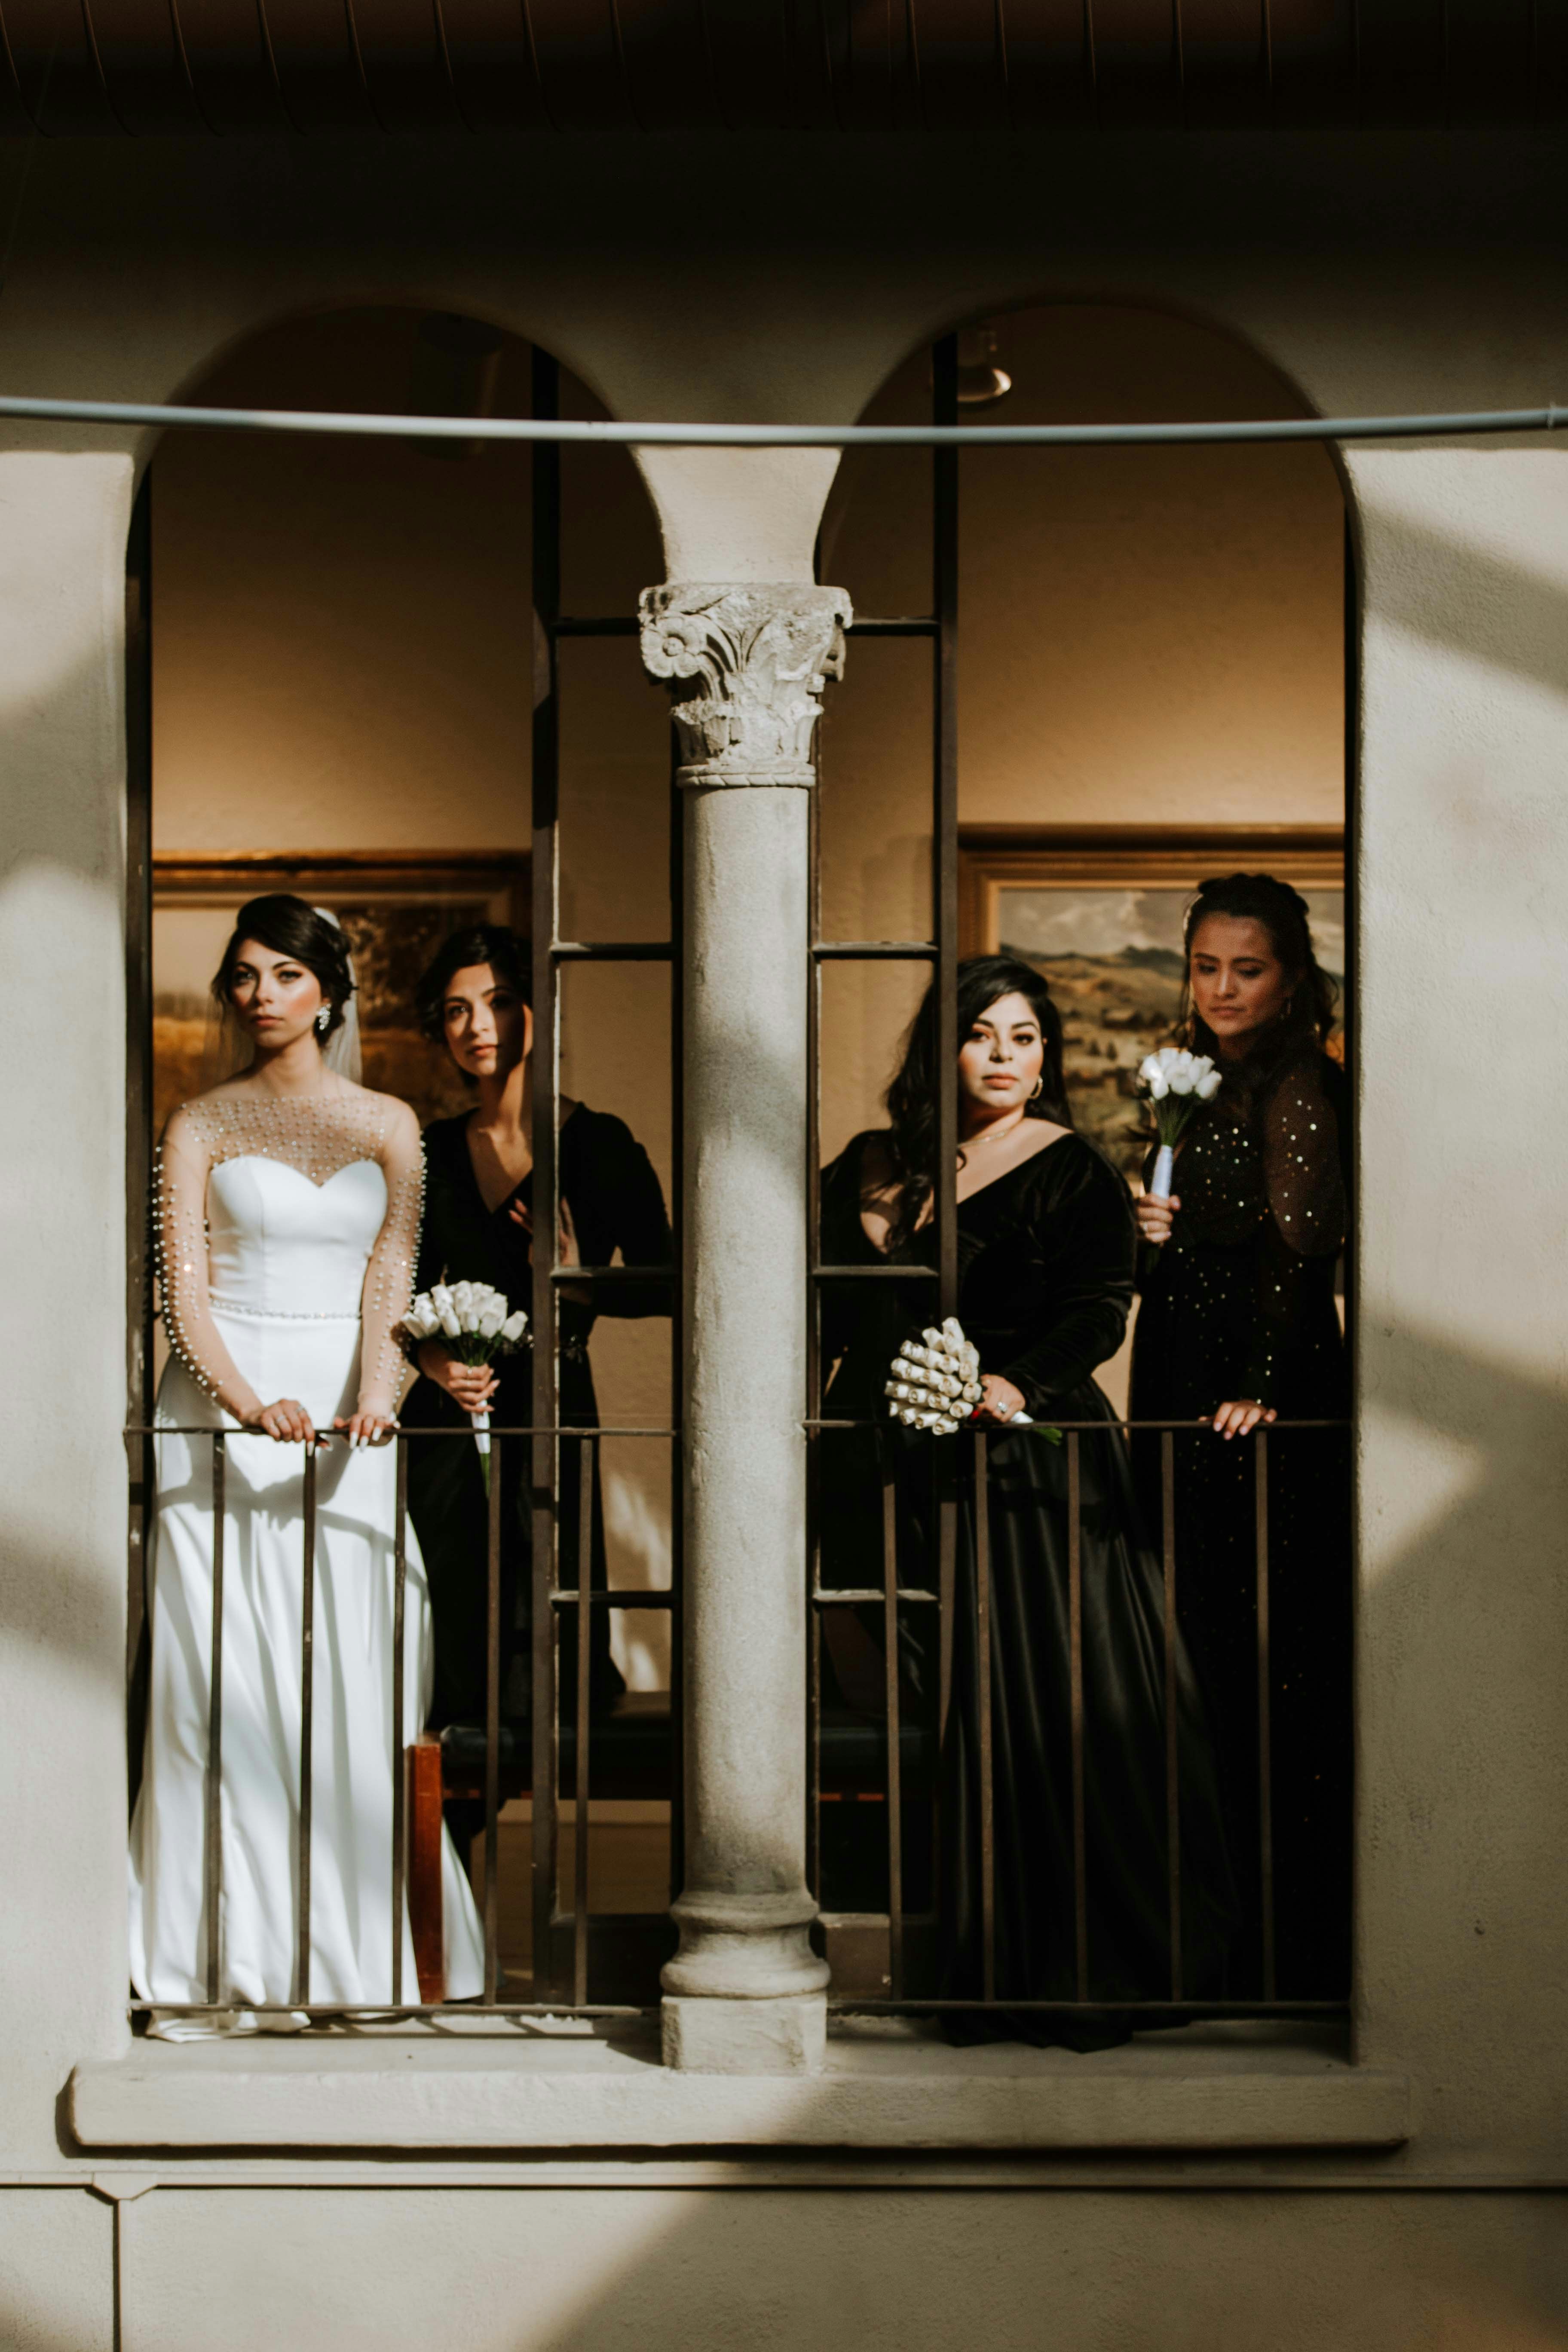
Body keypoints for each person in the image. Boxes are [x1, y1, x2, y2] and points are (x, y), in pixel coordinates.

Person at [819, 955, 1235, 2044]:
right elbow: (817, 1306)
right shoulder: (871, 1167)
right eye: (984, 1035)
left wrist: (1015, 1385)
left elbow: (1102, 1307)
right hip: (899, 1468)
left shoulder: (1071, 1169)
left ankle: (1060, 1960)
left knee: (1033, 1711)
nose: (1007, 1057)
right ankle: (956, 1950)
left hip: (1030, 1469)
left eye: (1026, 1039)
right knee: (931, 1703)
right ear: (942, 1048)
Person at [130, 895, 484, 2031]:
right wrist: (245, 1404)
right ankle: (212, 1954)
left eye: (284, 974)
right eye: (243, 976)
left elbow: (390, 1277)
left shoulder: (391, 1124)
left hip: (349, 1417)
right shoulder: (196, 1123)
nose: (260, 994)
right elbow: (180, 1292)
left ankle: (349, 1950)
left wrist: (374, 1402)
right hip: (222, 1407)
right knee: (216, 1677)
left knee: (346, 1676)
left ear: (328, 991)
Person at [1130, 872, 1351, 1999]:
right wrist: (1150, 1231)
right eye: (1207, 965)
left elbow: (1298, 1253)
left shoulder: (1305, 1084)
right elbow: (1190, 1253)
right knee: (1195, 1665)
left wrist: (1264, 1381)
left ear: (1291, 978)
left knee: (1267, 1672)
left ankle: (1282, 1952)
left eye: (1246, 968)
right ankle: (1210, 1942)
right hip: (1181, 1382)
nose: (1222, 987)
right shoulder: (1195, 1082)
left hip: (1251, 1407)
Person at [401, 925, 672, 1736]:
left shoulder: (602, 1144)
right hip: (450, 1414)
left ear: (535, 1010)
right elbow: (400, 1292)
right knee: (449, 1609)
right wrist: (433, 1360)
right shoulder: (430, 1150)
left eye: (498, 1003)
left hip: (555, 1397)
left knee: (547, 1600)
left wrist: (578, 1278)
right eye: (456, 1011)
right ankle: (443, 1817)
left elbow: (668, 1285)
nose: (477, 1027)